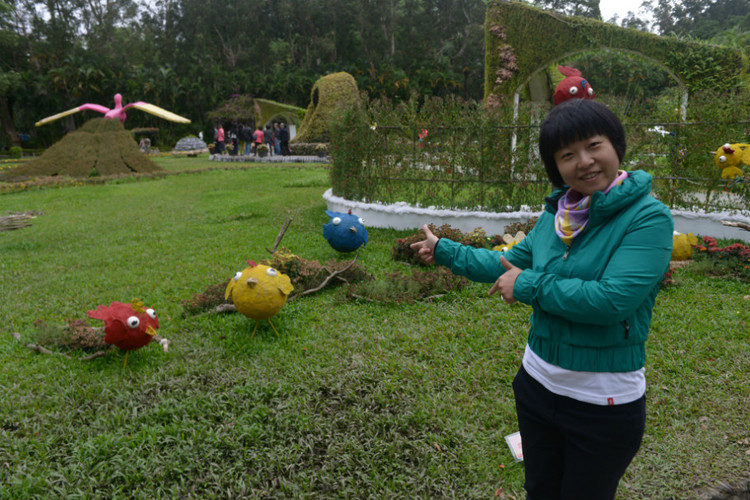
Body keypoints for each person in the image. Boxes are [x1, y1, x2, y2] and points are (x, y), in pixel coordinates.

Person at [410, 98, 673, 500]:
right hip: (536, 386)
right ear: (557, 167)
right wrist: (445, 250)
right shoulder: (557, 217)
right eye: (568, 155)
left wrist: (528, 286)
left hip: (602, 403)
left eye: (594, 145)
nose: (584, 161)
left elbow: (611, 301)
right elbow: (506, 264)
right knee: (540, 491)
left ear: (616, 146)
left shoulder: (648, 218)